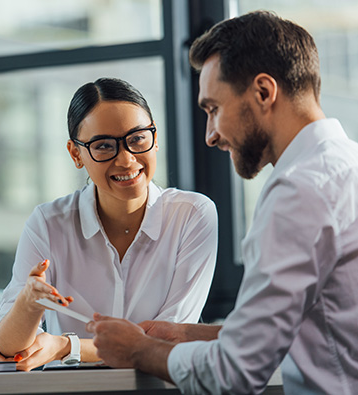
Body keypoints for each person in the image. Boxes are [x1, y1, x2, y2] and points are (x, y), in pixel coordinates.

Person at [86, 11, 358, 394]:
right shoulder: (347, 166)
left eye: (213, 109)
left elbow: (234, 372)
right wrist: (187, 334)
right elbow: (320, 324)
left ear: (264, 92)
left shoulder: (298, 192)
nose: (210, 136)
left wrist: (138, 350)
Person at [0, 77, 218, 371]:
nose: (126, 160)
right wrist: (29, 303)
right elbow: (7, 347)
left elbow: (170, 337)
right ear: (76, 154)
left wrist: (66, 346)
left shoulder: (193, 215)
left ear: (155, 137)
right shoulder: (48, 223)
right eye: (104, 146)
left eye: (137, 139)